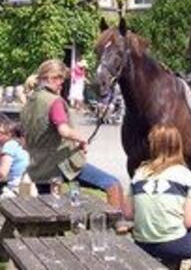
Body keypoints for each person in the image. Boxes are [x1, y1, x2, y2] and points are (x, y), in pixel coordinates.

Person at [21, 59, 128, 215]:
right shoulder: (54, 101)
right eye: (61, 79)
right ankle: (118, 227)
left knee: (51, 213)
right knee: (113, 185)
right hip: (61, 164)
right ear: (51, 78)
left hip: (39, 169)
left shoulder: (29, 102)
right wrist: (82, 139)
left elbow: (26, 140)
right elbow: (63, 130)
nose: (62, 84)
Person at [129, 125, 191, 267]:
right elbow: (188, 222)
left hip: (142, 244)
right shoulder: (185, 174)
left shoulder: (139, 173)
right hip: (174, 245)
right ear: (178, 145)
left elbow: (128, 213)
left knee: (174, 233)